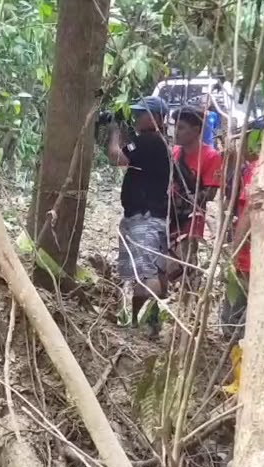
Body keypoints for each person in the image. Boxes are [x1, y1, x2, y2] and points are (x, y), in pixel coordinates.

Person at [105, 96, 173, 335]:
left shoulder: (148, 141)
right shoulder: (159, 142)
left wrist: (113, 132)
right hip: (155, 215)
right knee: (154, 269)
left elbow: (117, 157)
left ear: (154, 117)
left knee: (145, 272)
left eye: (140, 114)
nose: (136, 118)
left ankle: (144, 325)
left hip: (144, 217)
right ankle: (148, 322)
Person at [221, 115, 264, 395]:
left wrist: (234, 251)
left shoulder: (259, 170)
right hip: (258, 261)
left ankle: (242, 385)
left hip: (248, 261)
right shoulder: (255, 168)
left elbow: (248, 212)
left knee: (235, 324)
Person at [169, 106, 224, 286]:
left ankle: (189, 294)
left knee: (186, 258)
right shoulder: (175, 152)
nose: (176, 131)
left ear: (196, 130)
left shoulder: (211, 156)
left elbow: (210, 193)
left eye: (181, 127)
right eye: (175, 126)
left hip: (191, 216)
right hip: (170, 213)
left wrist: (184, 197)